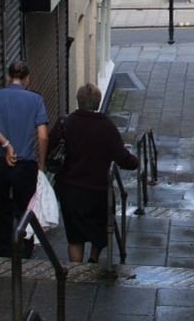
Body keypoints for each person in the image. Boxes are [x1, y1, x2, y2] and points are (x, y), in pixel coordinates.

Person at [50, 82, 137, 264]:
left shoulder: (65, 123)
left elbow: (51, 148)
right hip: (98, 191)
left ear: (78, 101)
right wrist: (134, 162)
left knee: (75, 237)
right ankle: (94, 258)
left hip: (70, 190)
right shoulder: (107, 127)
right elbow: (123, 157)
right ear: (98, 103)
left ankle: (76, 269)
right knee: (101, 228)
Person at [0, 60, 49, 258]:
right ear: (27, 79)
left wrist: (4, 144)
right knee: (25, 209)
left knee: (0, 208)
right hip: (25, 165)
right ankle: (25, 252)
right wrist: (41, 165)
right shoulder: (36, 100)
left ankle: (3, 251)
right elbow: (43, 136)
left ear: (9, 77)